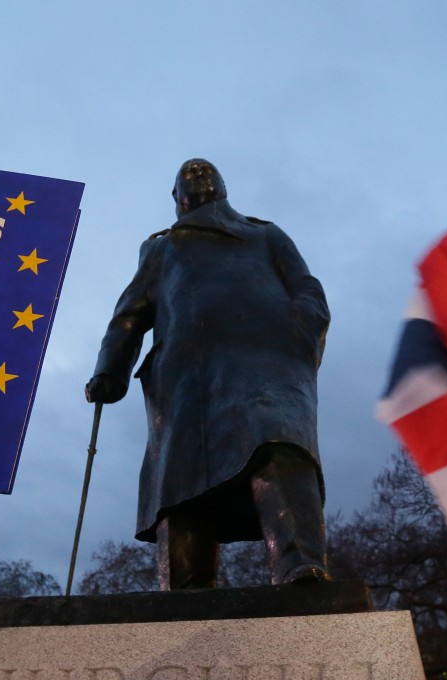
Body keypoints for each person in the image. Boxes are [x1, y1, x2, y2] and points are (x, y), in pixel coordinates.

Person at [85, 159, 331, 589]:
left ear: (223, 186)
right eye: (187, 176)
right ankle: (184, 592)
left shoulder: (266, 234)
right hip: (186, 378)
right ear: (177, 198)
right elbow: (128, 315)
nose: (196, 175)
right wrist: (111, 369)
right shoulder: (162, 248)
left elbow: (306, 285)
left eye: (204, 173)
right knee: (182, 484)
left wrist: (300, 326)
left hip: (266, 358)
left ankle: (299, 564)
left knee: (278, 442)